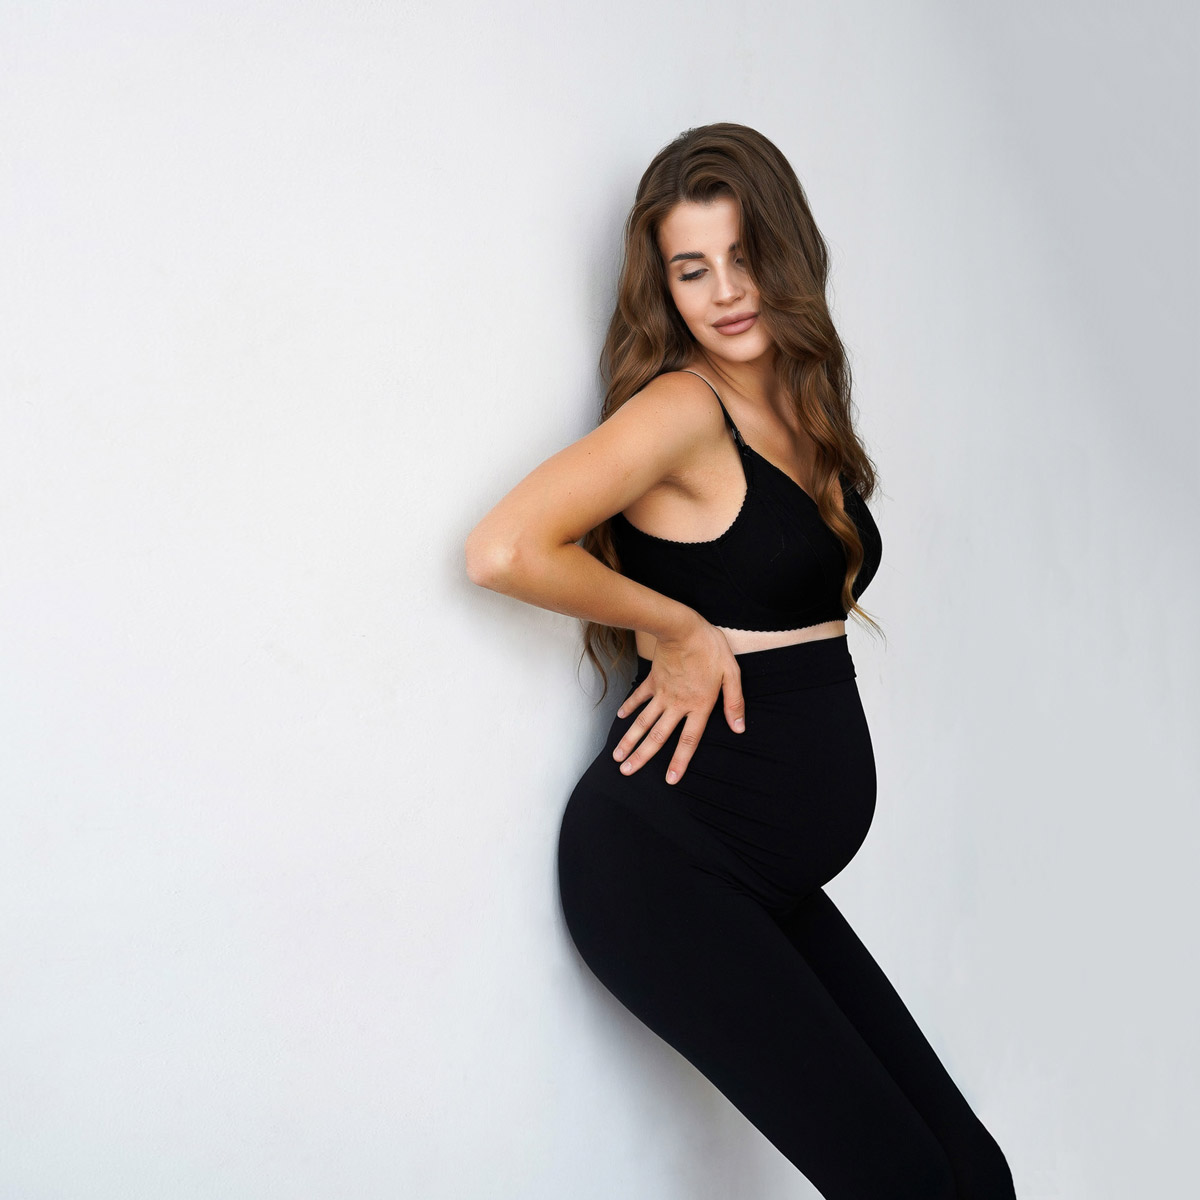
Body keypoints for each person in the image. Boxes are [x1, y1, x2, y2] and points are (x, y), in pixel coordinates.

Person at [465, 123, 1016, 1199]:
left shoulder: (798, 402)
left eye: (743, 255)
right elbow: (504, 548)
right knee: (909, 1182)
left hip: (759, 870)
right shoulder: (683, 408)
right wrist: (674, 627)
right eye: (690, 268)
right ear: (662, 287)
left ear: (786, 251)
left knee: (970, 1174)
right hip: (665, 866)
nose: (724, 291)